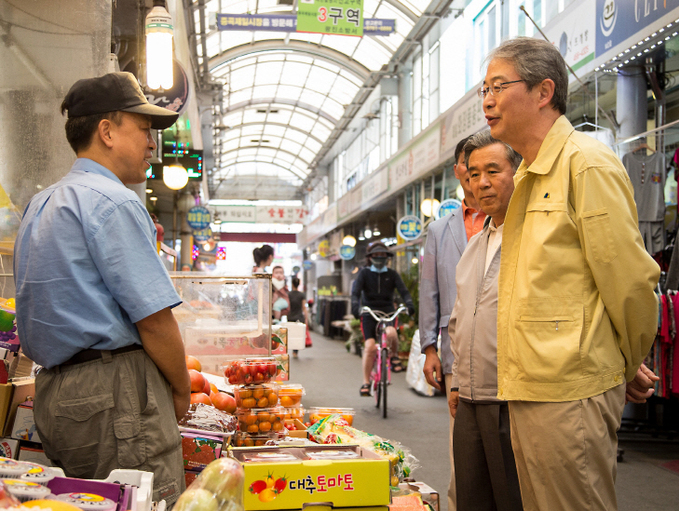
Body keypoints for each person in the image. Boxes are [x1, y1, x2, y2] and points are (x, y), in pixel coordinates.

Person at [482, 37, 660, 510]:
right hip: (532, 384)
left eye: (499, 86)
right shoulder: (529, 175)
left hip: (570, 388)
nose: (487, 99)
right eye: (484, 88)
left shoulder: (585, 163)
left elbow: (631, 282)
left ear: (544, 92)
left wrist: (623, 364)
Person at [13, 72, 190, 507]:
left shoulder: (42, 203)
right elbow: (154, 319)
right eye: (145, 130)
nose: (152, 145)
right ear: (107, 132)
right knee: (147, 500)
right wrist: (182, 391)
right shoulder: (113, 201)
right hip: (116, 398)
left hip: (56, 395)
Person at [448, 131, 523, 511]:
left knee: (512, 497)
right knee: (472, 498)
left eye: (493, 170)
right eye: (473, 173)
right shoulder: (477, 244)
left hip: (513, 398)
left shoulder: (533, 237)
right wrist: (459, 381)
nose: (481, 182)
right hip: (470, 400)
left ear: (519, 172)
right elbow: (460, 318)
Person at [419, 135, 486, 511]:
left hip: (503, 341)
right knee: (460, 438)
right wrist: (429, 348)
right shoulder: (439, 229)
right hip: (453, 346)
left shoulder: (508, 217)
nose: (478, 176)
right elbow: (429, 290)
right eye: (470, 166)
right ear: (459, 170)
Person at [351, 241, 415, 396]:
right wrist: (355, 306)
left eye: (382, 255)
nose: (379, 258)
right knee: (370, 347)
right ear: (370, 257)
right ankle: (366, 382)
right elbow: (355, 293)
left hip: (388, 311)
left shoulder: (392, 274)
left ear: (387, 257)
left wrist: (409, 303)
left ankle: (393, 356)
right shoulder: (364, 274)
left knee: (392, 333)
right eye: (376, 255)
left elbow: (404, 292)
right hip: (368, 313)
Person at [288, 277, 311, 358]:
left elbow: (287, 306)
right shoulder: (302, 295)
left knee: (291, 333)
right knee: (297, 335)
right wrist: (306, 318)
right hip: (299, 317)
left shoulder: (289, 294)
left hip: (290, 316)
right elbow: (304, 307)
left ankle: (291, 349)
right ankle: (295, 351)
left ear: (292, 284)